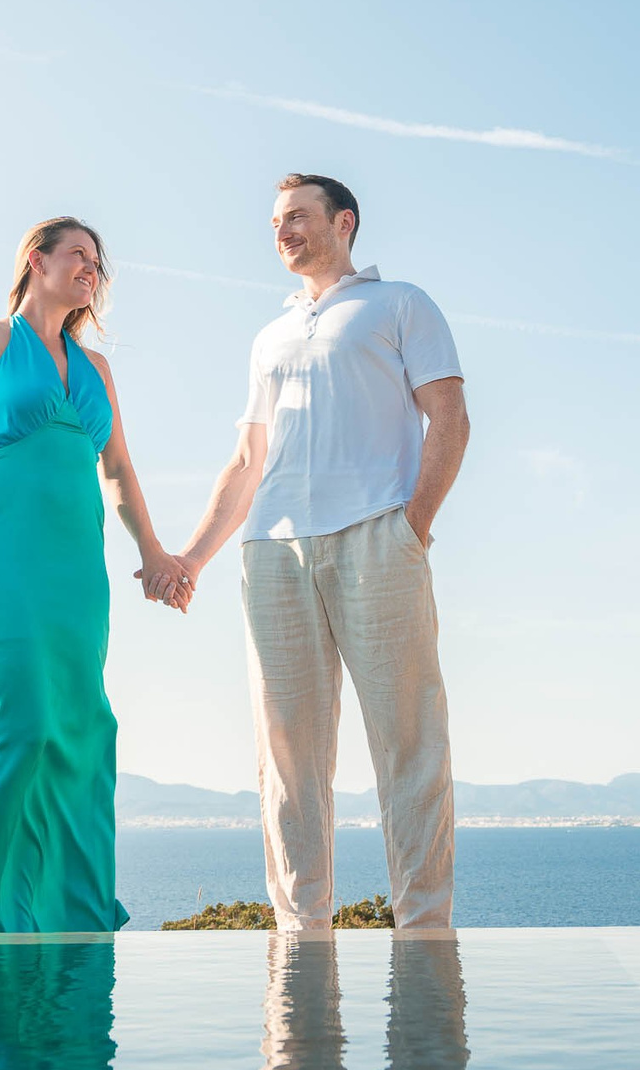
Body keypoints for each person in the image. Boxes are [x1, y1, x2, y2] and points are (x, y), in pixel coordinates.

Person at [172, 175, 471, 931]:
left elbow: (450, 418)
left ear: (344, 222)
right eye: (275, 221)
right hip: (273, 551)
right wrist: (194, 557)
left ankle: (424, 933)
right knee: (287, 757)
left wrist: (413, 526)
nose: (283, 230)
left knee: (409, 742)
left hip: (379, 536)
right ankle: (300, 934)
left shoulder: (400, 303)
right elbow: (248, 459)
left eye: (298, 216)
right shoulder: (268, 337)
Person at [0, 217, 190, 932]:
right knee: (21, 726)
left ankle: (73, 923)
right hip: (2, 561)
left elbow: (119, 470)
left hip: (78, 576)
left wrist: (154, 552)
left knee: (81, 732)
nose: (90, 269)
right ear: (36, 262)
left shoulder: (97, 368)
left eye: (96, 263)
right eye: (78, 254)